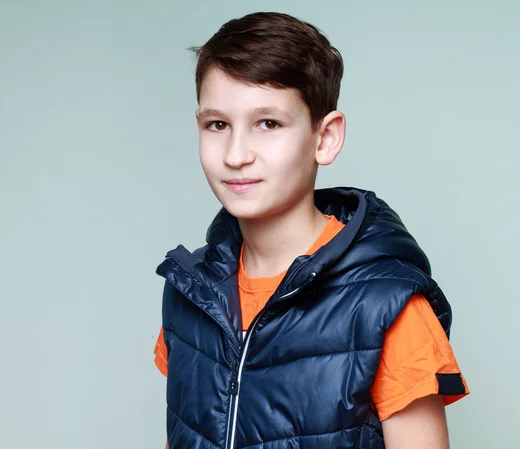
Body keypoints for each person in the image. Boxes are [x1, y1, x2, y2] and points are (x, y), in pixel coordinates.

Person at [153, 11, 468, 449]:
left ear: (326, 138)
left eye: (269, 124)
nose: (236, 153)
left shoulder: (388, 306)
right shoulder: (191, 294)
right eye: (218, 124)